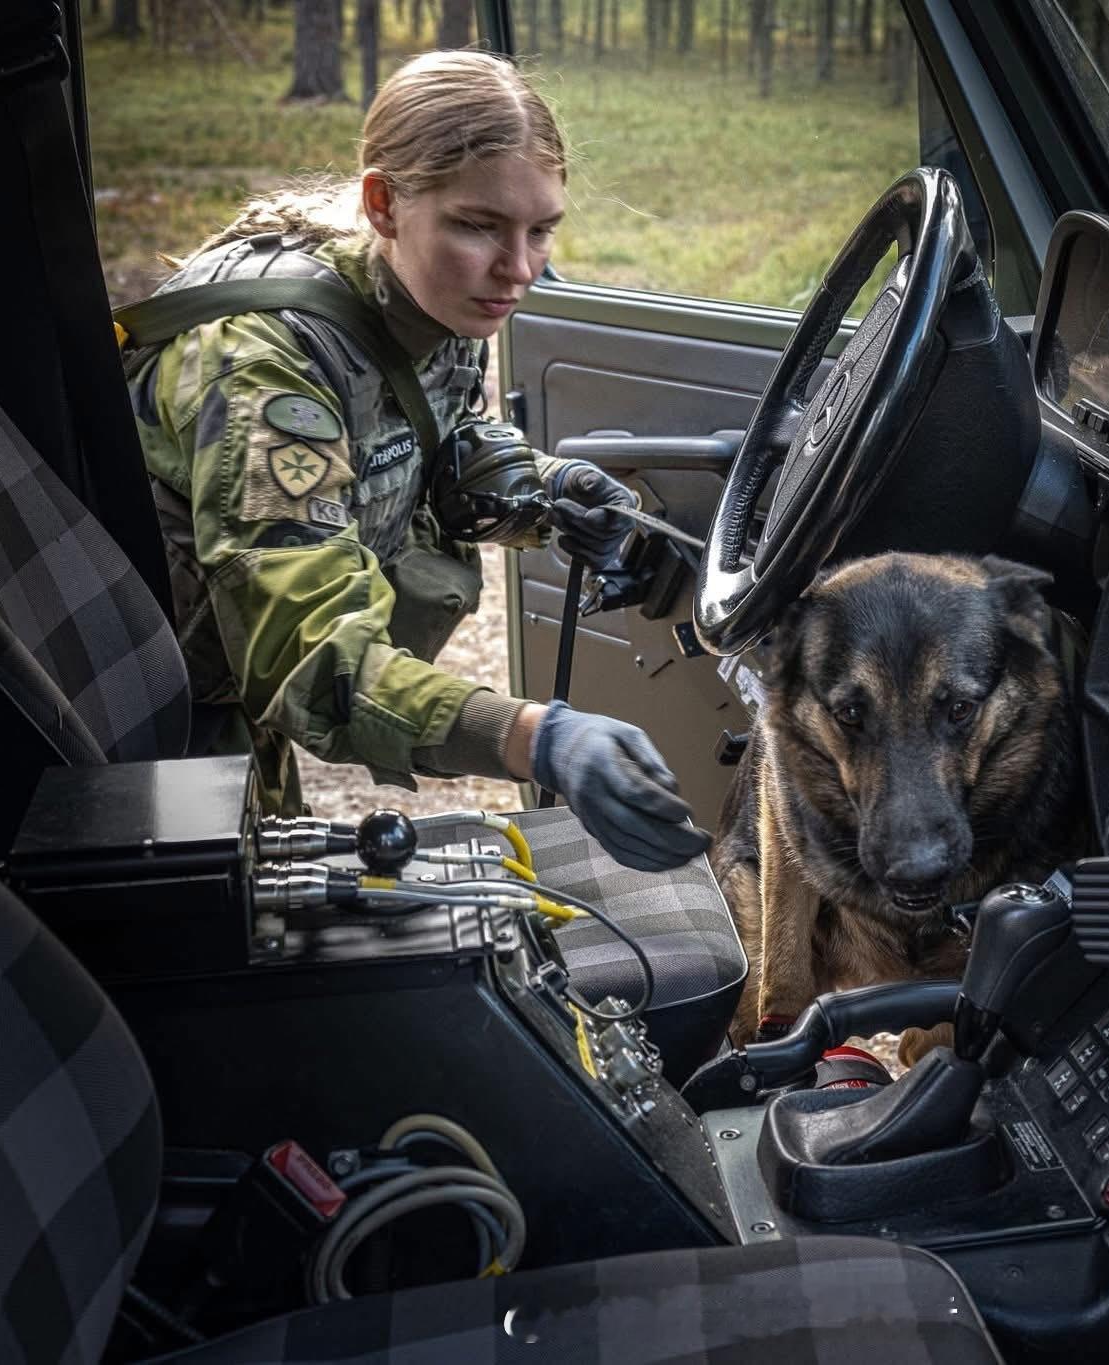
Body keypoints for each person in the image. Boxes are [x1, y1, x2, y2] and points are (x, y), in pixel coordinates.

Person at [123, 50, 707, 874]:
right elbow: (311, 656)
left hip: (226, 692)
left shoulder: (420, 299)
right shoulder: (265, 367)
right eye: (478, 226)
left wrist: (546, 495)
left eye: (542, 230)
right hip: (152, 715)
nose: (520, 270)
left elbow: (428, 438)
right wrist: (532, 738)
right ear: (383, 203)